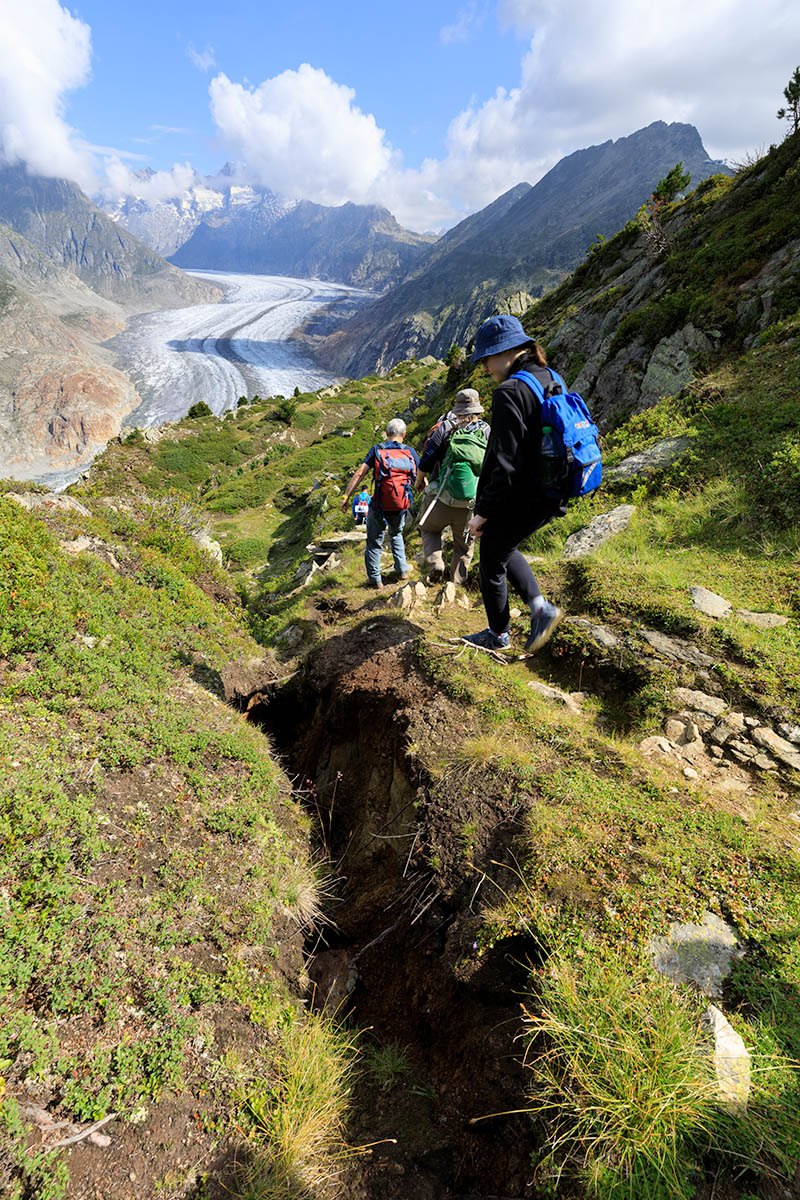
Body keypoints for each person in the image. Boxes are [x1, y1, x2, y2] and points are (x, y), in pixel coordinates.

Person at [462, 314, 565, 651]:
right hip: (553, 488)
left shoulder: (511, 390)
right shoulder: (549, 377)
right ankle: (540, 609)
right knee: (504, 546)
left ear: (507, 352)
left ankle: (498, 634)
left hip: (527, 493)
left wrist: (483, 512)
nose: (487, 367)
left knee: (491, 559)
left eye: (488, 358)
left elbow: (505, 464)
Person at [415, 389, 490, 586]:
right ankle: (456, 586)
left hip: (441, 496)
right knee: (464, 546)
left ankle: (436, 564)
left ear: (458, 409)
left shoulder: (446, 427)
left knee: (428, 529)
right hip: (470, 501)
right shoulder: (487, 431)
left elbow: (427, 459)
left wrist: (419, 482)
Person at [341, 418, 419, 589]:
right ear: (403, 435)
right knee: (396, 535)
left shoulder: (377, 450)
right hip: (400, 506)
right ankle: (402, 570)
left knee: (374, 541)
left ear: (386, 433)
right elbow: (420, 478)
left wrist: (346, 496)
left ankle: (375, 579)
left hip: (378, 505)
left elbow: (360, 473)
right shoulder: (410, 452)